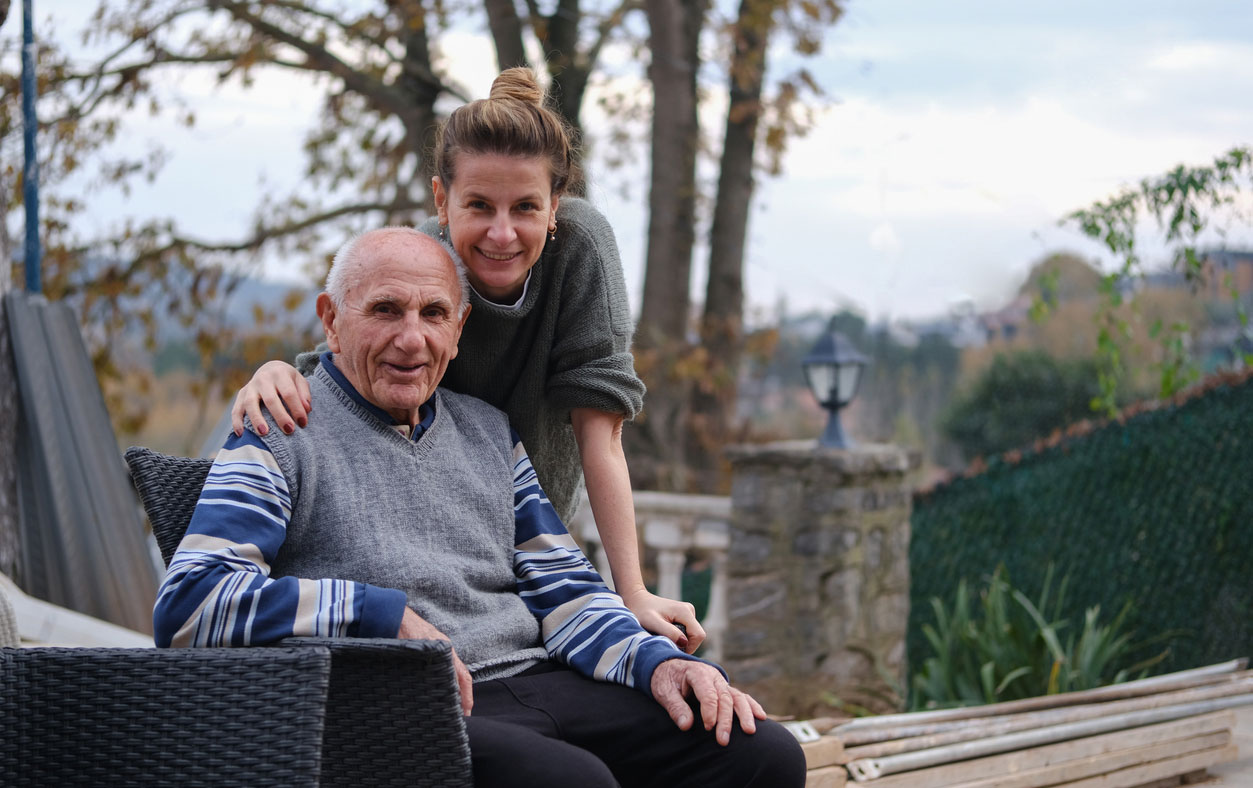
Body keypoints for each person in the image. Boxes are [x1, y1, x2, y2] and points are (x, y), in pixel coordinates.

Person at [154, 228, 805, 788]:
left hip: (541, 680)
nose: (411, 339)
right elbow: (190, 606)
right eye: (385, 310)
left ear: (459, 329)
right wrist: (379, 615)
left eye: (434, 313)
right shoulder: (280, 427)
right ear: (330, 318)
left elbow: (565, 592)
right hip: (399, 707)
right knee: (573, 782)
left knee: (758, 755)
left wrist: (655, 662)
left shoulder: (488, 430)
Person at [230, 68, 703, 651]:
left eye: (525, 207)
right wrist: (276, 372)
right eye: (479, 205)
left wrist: (632, 592)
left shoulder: (581, 249)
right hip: (422, 526)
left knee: (577, 653)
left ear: (555, 206)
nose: (501, 234)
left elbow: (601, 437)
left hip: (532, 516)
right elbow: (349, 362)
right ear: (442, 201)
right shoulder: (425, 260)